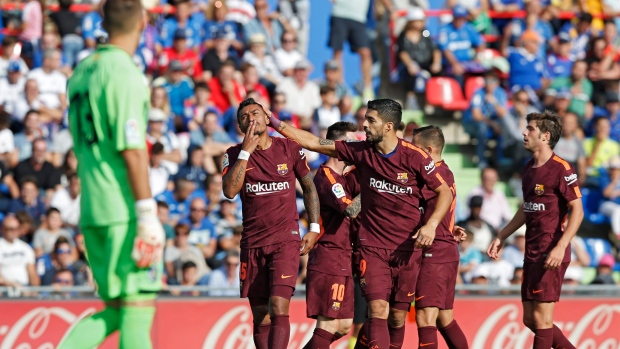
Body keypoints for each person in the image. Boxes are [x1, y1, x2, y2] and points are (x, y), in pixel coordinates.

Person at [268, 99, 452, 349]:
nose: (364, 125)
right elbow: (313, 142)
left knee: (396, 317)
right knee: (377, 309)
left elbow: (444, 192)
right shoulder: (361, 151)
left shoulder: (415, 156)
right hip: (371, 246)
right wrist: (275, 122)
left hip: (406, 248)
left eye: (370, 120)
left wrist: (431, 226)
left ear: (388, 126)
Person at [59, 0, 165, 347]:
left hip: (93, 209)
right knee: (138, 311)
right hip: (124, 211)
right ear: (143, 20)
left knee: (117, 309)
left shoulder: (81, 71)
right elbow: (132, 149)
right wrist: (148, 215)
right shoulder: (123, 73)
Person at [222, 98, 320, 349]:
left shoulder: (288, 147)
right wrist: (245, 152)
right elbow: (230, 191)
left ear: (267, 118)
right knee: (260, 315)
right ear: (241, 126)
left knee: (278, 306)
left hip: (285, 240)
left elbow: (309, 187)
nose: (251, 118)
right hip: (253, 243)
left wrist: (313, 227)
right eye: (245, 117)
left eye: (256, 113)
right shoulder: (232, 154)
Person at [488, 110, 584, 349]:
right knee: (530, 319)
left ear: (545, 136)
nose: (524, 132)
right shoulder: (529, 168)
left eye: (530, 128)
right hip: (531, 251)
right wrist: (502, 235)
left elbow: (578, 210)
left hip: (551, 251)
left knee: (542, 320)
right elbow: (526, 207)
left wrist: (560, 247)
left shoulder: (562, 168)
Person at [302, 122, 360, 348]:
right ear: (341, 146)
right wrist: (373, 186)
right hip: (328, 257)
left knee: (344, 324)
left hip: (342, 257)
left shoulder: (343, 176)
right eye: (353, 143)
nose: (357, 148)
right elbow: (351, 210)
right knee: (328, 325)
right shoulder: (328, 177)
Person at [411, 126, 469, 349]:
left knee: (426, 318)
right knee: (445, 319)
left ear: (428, 149)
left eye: (415, 148)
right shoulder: (446, 171)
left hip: (434, 252)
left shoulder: (432, 175)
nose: (411, 153)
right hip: (445, 249)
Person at [0, 216, 40, 291]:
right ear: (2, 229)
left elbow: (32, 273)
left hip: (24, 289)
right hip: (4, 290)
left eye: (16, 228)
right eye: (10, 229)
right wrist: (11, 284)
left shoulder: (26, 248)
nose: (14, 231)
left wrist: (35, 291)